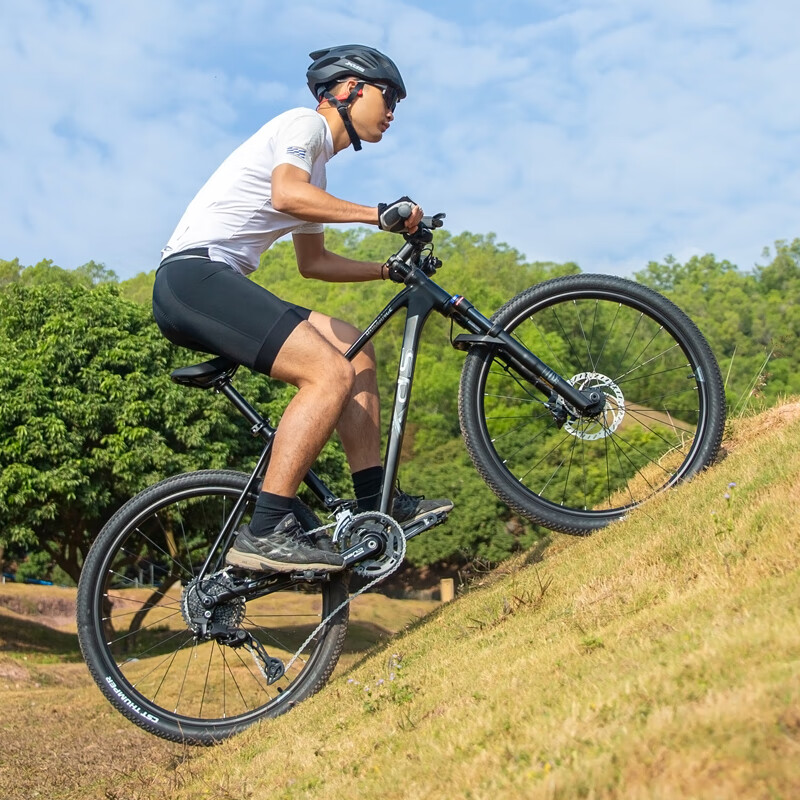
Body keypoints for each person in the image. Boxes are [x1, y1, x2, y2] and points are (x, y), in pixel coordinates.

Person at [152, 45, 453, 574]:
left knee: (353, 351)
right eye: (387, 95)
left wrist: (387, 270)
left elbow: (312, 262)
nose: (393, 110)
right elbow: (286, 196)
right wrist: (376, 214)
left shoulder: (317, 174)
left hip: (209, 280)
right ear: (348, 90)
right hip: (193, 277)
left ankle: (375, 505)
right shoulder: (303, 127)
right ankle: (266, 530)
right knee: (327, 373)